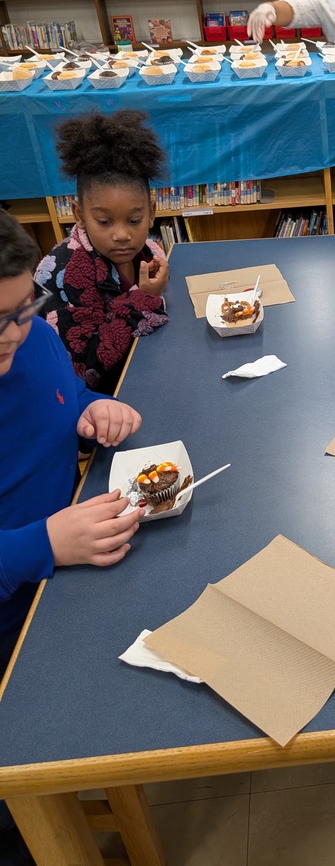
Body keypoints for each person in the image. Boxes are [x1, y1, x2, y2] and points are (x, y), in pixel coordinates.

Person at [0, 210, 144, 676]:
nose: (14, 333)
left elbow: (64, 393)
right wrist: (43, 544)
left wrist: (91, 408)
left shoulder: (35, 336)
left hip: (68, 572)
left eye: (24, 306)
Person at [34, 110, 169, 394]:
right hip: (101, 399)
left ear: (152, 213)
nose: (121, 235)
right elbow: (87, 368)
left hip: (147, 370)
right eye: (104, 222)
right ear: (79, 215)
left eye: (134, 220)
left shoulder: (148, 251)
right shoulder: (67, 274)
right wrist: (143, 300)